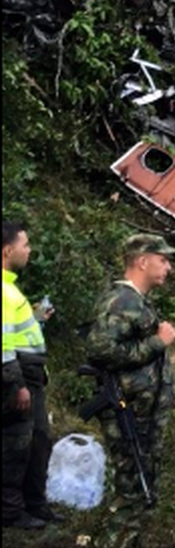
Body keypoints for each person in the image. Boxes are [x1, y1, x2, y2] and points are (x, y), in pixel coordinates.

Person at [86, 233, 175, 548]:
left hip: (141, 413)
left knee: (140, 489)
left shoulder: (135, 302)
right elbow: (100, 350)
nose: (168, 267)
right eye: (163, 259)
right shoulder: (121, 301)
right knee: (130, 491)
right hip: (128, 414)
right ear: (142, 261)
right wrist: (158, 342)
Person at [2, 220, 60, 529]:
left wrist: (36, 320)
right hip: (17, 379)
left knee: (37, 439)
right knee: (16, 446)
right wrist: (18, 385)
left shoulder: (10, 288)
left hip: (29, 377)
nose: (29, 250)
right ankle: (11, 512)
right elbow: (2, 346)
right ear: (8, 250)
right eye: (25, 245)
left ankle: (35, 504)